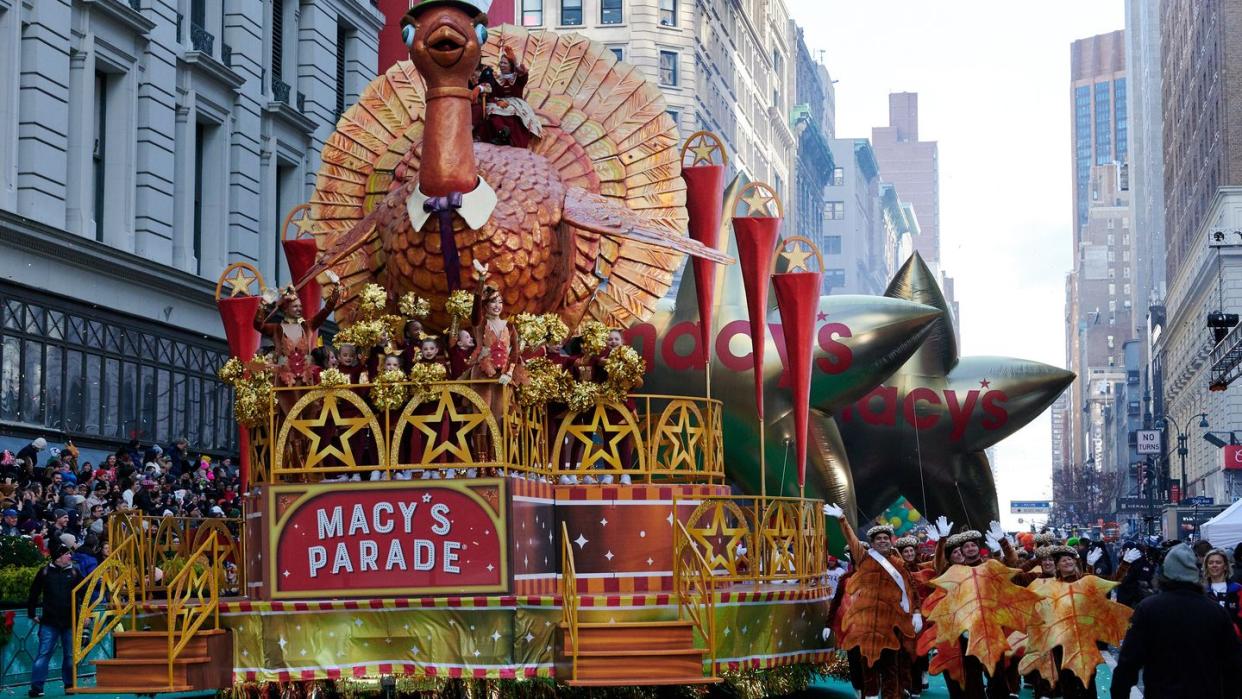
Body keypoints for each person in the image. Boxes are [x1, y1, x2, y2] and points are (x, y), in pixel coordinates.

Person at [1112, 543, 1242, 699]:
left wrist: (1120, 692)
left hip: (1161, 692)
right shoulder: (1215, 611)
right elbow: (1232, 664)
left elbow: (1129, 662)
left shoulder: (1148, 609)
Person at [823, 503, 920, 699]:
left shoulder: (899, 565)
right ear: (873, 543)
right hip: (867, 626)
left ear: (891, 541)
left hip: (891, 626)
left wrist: (917, 611)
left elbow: (912, 589)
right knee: (869, 668)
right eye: (879, 539)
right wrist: (842, 519)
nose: (883, 541)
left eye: (886, 538)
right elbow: (851, 540)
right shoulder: (864, 559)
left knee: (891, 668)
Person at [26, 541, 84, 697]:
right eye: (66, 554)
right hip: (49, 622)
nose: (70, 556)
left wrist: (85, 615)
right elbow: (33, 593)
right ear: (58, 557)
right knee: (43, 653)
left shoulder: (75, 572)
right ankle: (37, 687)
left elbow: (86, 593)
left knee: (70, 655)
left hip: (70, 621)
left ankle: (70, 685)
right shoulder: (44, 572)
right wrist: (32, 614)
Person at [1204, 547, 1242, 635]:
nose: (1214, 565)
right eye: (1210, 563)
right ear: (1206, 566)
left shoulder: (1237, 589)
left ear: (1225, 566)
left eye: (1218, 562)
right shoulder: (1201, 591)